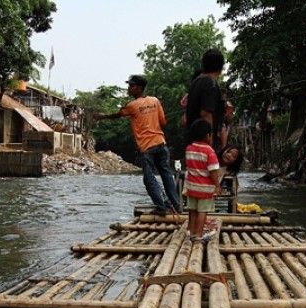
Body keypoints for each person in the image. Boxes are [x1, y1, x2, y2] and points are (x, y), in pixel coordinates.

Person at [95, 75, 179, 215]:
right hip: (161, 143)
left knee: (149, 178)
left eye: (132, 86)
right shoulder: (155, 100)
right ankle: (176, 205)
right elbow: (163, 123)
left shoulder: (132, 105)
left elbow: (117, 115)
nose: (129, 88)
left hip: (147, 148)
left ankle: (162, 207)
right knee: (166, 175)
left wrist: (101, 117)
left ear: (139, 88)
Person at [185, 119, 220, 242]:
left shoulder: (189, 148)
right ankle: (199, 235)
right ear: (207, 136)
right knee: (202, 212)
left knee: (193, 211)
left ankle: (192, 233)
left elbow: (189, 167)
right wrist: (217, 185)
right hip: (205, 189)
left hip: (191, 187)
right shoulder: (209, 151)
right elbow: (213, 170)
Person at [185, 49, 226, 153]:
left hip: (194, 141)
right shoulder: (210, 83)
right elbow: (206, 113)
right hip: (203, 142)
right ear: (221, 67)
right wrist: (209, 140)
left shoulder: (196, 82)